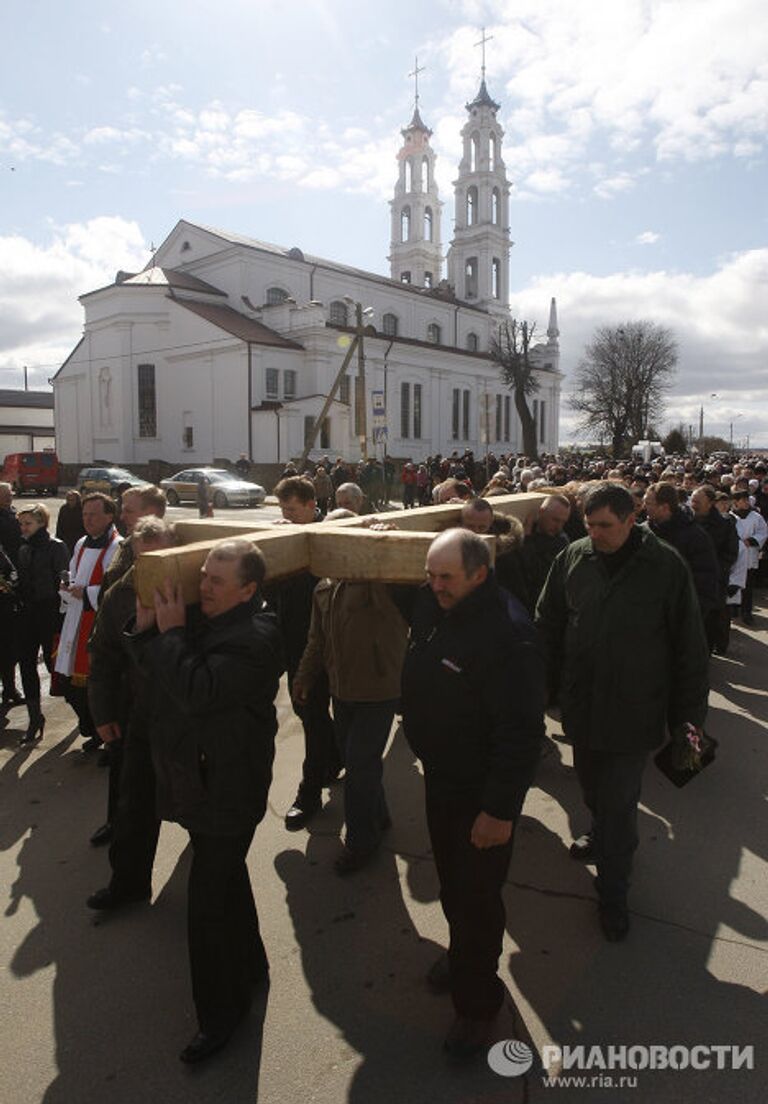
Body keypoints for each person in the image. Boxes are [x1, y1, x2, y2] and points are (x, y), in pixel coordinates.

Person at [124, 539, 284, 1064]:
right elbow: (158, 681)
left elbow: (198, 691)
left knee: (207, 907)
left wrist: (169, 636)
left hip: (228, 790)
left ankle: (220, 1016)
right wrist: (149, 628)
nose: (204, 587)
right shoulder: (211, 621)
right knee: (227, 879)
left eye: (217, 580)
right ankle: (253, 967)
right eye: (204, 576)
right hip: (200, 782)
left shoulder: (256, 635)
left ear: (249, 588)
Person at [536, 483, 709, 942]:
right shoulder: (573, 557)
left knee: (618, 802)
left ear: (632, 519)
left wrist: (689, 727)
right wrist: (538, 686)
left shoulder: (665, 565)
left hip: (636, 711)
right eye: (588, 525)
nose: (594, 534)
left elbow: (690, 649)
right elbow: (548, 622)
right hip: (581, 706)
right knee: (592, 788)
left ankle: (614, 893)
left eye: (604, 526)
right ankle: (599, 832)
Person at [401, 529, 545, 1059]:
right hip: (442, 779)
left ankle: (478, 1006)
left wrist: (499, 810)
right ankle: (463, 957)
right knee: (452, 886)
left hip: (482, 794)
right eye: (430, 574)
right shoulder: (438, 603)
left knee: (478, 899)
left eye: (446, 578)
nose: (434, 586)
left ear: (480, 575)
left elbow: (521, 733)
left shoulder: (508, 636)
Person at [293, 563, 409, 874]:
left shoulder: (377, 581)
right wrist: (304, 676)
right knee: (357, 760)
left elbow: (399, 574)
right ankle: (380, 815)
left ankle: (362, 842)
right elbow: (316, 639)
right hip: (341, 691)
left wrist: (381, 542)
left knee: (359, 764)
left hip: (379, 690)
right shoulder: (323, 587)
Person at [86, 517, 176, 909]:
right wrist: (102, 712)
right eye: (146, 560)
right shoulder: (121, 594)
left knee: (201, 806)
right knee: (134, 803)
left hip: (190, 717)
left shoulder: (197, 589)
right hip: (143, 713)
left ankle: (210, 875)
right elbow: (102, 657)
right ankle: (128, 882)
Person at [271, 477, 340, 829]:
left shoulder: (327, 538)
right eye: (283, 509)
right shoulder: (283, 537)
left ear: (312, 507)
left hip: (325, 645)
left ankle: (309, 794)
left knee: (313, 717)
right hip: (293, 642)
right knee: (306, 712)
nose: (286, 516)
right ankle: (334, 756)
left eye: (292, 510)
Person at [53, 492, 122, 749]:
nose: (87, 519)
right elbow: (73, 571)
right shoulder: (82, 542)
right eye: (84, 514)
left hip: (96, 622)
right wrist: (66, 584)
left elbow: (115, 588)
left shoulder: (117, 546)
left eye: (93, 514)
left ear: (109, 515)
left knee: (96, 684)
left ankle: (106, 737)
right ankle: (93, 730)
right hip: (75, 618)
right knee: (70, 684)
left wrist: (88, 593)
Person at [15, 503, 69, 744]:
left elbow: (64, 580)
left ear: (41, 523)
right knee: (26, 664)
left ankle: (82, 709)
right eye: (22, 523)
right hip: (28, 614)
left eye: (28, 523)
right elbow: (22, 580)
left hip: (50, 613)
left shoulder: (55, 547)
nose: (23, 528)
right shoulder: (24, 549)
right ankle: (35, 717)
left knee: (54, 664)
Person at [644, 482, 719, 618]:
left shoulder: (695, 536)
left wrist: (689, 617)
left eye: (648, 503)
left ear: (664, 507)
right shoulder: (642, 532)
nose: (644, 507)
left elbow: (705, 580)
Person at [691, 484, 739, 652]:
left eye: (698, 501)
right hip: (689, 579)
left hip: (713, 581)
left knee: (710, 620)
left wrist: (714, 570)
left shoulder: (725, 524)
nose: (693, 503)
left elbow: (731, 553)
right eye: (692, 499)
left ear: (710, 503)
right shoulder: (686, 521)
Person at [517, 494, 571, 614]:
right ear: (541, 512)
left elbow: (535, 571)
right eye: (555, 520)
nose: (559, 527)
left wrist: (526, 538)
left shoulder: (561, 542)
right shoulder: (532, 533)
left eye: (563, 522)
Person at [729, 488, 768, 624]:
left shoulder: (755, 517)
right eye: (743, 500)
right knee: (733, 583)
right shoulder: (730, 517)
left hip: (750, 554)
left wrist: (751, 540)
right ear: (736, 502)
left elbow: (763, 532)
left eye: (747, 500)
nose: (746, 502)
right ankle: (733, 608)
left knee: (747, 585)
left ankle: (746, 612)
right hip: (735, 556)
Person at [55, 489, 86, 555]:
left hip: (78, 539)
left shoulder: (82, 509)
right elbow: (59, 524)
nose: (70, 502)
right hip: (66, 539)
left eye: (72, 500)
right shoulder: (64, 508)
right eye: (68, 500)